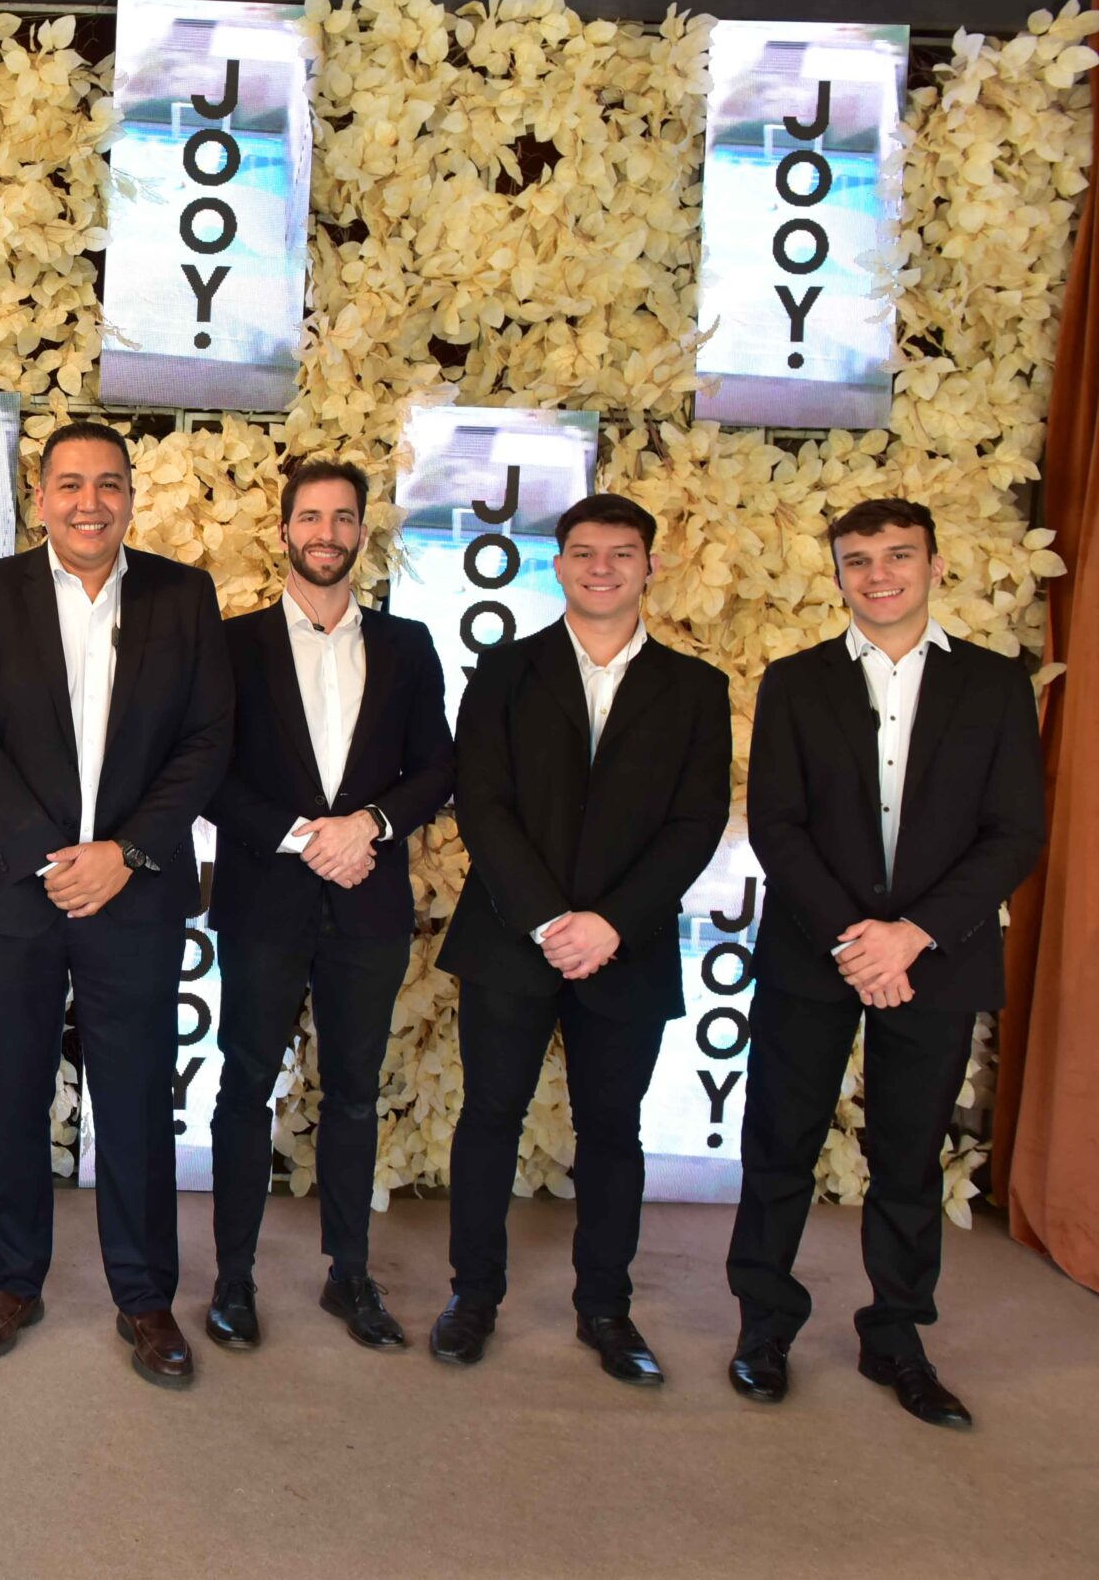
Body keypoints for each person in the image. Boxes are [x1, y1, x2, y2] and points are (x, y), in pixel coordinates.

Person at [725, 498, 1045, 1429]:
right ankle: (764, 1326)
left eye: (898, 555)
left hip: (935, 958)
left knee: (908, 1155)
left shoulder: (994, 684)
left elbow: (1013, 832)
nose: (879, 574)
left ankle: (897, 1336)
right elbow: (777, 825)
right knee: (778, 1145)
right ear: (838, 576)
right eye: (858, 560)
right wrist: (858, 938)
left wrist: (912, 935)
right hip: (814, 952)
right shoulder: (796, 681)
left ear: (934, 565)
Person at [0, 418, 233, 1388]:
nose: (89, 501)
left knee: (137, 1097)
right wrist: (47, 855)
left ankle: (144, 1295)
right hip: (11, 889)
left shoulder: (183, 596)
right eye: (70, 483)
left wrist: (125, 854)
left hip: (132, 893)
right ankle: (12, 1279)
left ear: (131, 496)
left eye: (108, 483)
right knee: (11, 1088)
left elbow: (207, 740)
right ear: (41, 497)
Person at [431, 492, 730, 1385]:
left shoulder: (696, 688)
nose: (603, 567)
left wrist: (609, 922)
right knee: (490, 1116)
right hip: (510, 937)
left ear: (650, 566)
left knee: (613, 1129)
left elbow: (696, 821)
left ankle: (606, 1306)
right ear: (557, 566)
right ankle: (472, 1296)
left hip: (627, 945)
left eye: (622, 553)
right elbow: (482, 805)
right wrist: (548, 919)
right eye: (585, 553)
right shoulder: (503, 671)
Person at [204, 459, 452, 1353]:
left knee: (353, 1091)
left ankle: (349, 1273)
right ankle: (233, 1277)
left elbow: (438, 766)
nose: (326, 532)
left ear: (361, 533)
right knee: (243, 1087)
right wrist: (302, 836)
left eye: (343, 518)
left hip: (367, 901)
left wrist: (369, 825)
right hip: (264, 900)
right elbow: (206, 772)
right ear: (284, 531)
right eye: (310, 516)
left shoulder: (408, 645)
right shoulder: (230, 644)